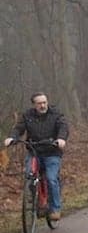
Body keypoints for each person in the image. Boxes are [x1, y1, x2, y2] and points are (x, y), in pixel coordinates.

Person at [4, 92, 69, 221]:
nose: (43, 105)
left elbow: (63, 127)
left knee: (51, 178)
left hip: (52, 152)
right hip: (34, 151)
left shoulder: (56, 114)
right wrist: (12, 137)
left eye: (44, 102)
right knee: (30, 176)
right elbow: (19, 128)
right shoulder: (27, 115)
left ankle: (55, 209)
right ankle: (38, 203)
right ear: (34, 105)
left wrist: (61, 139)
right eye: (39, 103)